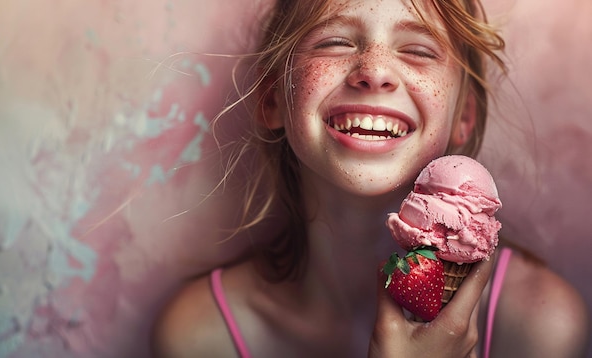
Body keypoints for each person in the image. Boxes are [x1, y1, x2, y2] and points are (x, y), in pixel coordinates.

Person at [152, 0, 590, 357]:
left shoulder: (540, 327)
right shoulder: (200, 336)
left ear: (464, 116)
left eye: (419, 50)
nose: (375, 71)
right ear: (272, 101)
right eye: (336, 42)